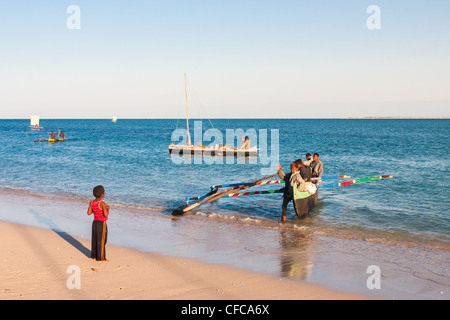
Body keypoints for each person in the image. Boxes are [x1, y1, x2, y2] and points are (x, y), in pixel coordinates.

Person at [87, 185, 109, 261]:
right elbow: (105, 214)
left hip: (95, 223)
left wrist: (95, 209)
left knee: (95, 239)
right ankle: (101, 257)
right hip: (101, 223)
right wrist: (107, 209)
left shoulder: (92, 202)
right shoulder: (102, 203)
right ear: (103, 194)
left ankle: (94, 255)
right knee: (102, 240)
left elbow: (89, 213)